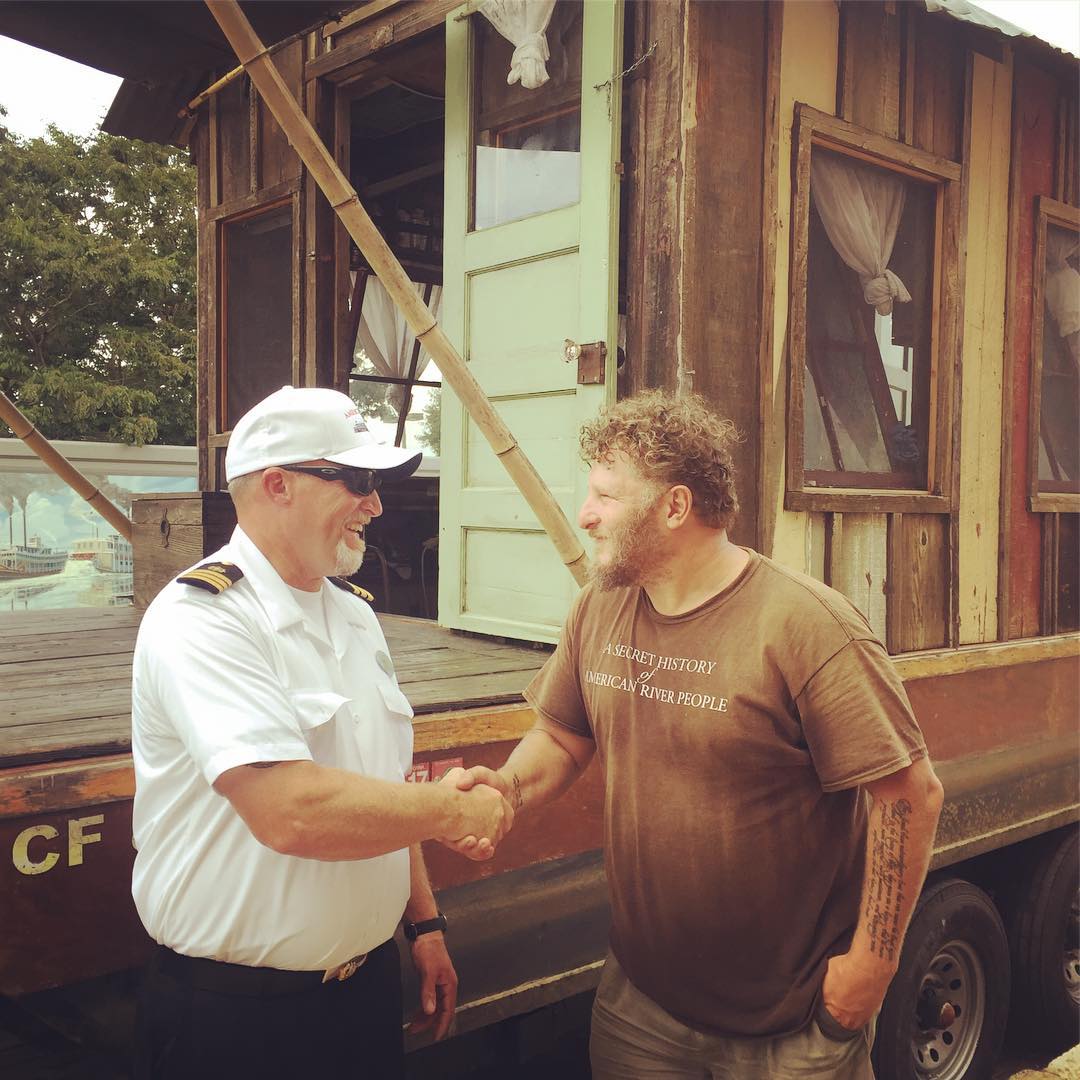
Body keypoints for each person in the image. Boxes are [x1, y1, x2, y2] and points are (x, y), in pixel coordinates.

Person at [452, 390, 944, 1079]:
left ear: (674, 507)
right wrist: (503, 790)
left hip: (793, 1024)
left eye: (604, 497)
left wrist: (872, 966)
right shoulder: (601, 606)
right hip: (642, 1008)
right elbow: (563, 738)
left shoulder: (804, 625)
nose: (585, 516)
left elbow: (908, 793)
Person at [130, 385, 514, 1080]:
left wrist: (423, 925)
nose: (376, 504)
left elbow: (379, 788)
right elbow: (291, 812)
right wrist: (455, 810)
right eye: (357, 480)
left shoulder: (356, 616)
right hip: (238, 1022)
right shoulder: (204, 620)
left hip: (361, 996)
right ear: (278, 485)